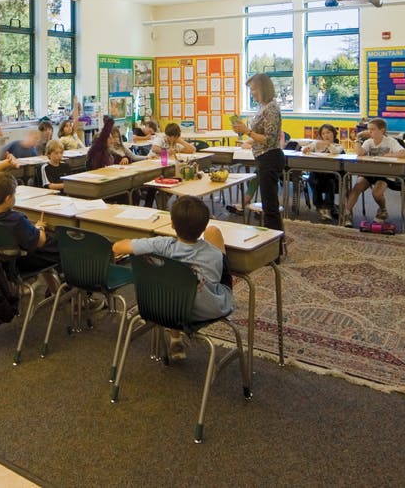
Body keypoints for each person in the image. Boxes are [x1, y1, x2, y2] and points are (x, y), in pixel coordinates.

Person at [112, 196, 233, 361]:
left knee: (173, 280)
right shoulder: (214, 254)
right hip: (202, 311)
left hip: (164, 307)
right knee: (215, 233)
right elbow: (216, 278)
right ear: (203, 226)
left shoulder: (162, 245)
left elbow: (118, 247)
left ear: (172, 224)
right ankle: (176, 336)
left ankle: (175, 337)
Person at [0, 172, 61, 280]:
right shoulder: (16, 220)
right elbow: (40, 241)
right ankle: (66, 283)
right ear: (8, 198)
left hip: (0, 259)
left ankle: (54, 288)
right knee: (61, 247)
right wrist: (39, 227)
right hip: (21, 261)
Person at [230, 73, 283, 232]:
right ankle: (273, 244)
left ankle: (274, 248)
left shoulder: (271, 109)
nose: (251, 92)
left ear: (263, 88)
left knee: (270, 207)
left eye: (254, 89)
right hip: (264, 157)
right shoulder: (263, 107)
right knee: (269, 204)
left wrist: (247, 131)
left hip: (270, 157)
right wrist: (244, 130)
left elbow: (269, 139)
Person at [343, 117, 405, 227]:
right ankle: (347, 213)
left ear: (382, 130)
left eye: (372, 129)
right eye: (369, 129)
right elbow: (359, 153)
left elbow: (404, 154)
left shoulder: (391, 141)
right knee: (357, 186)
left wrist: (389, 155)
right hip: (370, 172)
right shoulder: (368, 142)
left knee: (376, 193)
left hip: (385, 174)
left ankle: (383, 210)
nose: (369, 132)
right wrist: (358, 138)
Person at [303, 123, 344, 222]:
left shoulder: (338, 145)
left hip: (331, 175)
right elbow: (304, 149)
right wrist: (306, 149)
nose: (326, 135)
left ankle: (327, 207)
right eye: (324, 133)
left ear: (333, 134)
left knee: (330, 182)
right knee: (313, 179)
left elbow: (335, 152)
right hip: (317, 174)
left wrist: (328, 144)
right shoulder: (316, 144)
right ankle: (320, 206)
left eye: (328, 133)